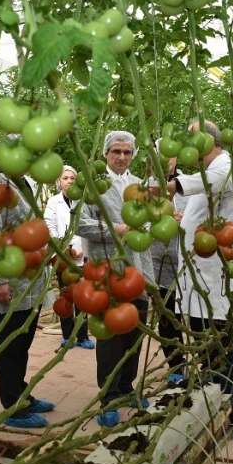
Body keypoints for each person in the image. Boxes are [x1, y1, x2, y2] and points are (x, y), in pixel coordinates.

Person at [156, 120, 233, 438]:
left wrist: (170, 185)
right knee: (207, 349)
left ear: (208, 142)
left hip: (217, 279)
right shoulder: (211, 174)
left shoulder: (227, 167)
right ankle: (214, 408)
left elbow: (210, 180)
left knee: (223, 349)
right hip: (201, 280)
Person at [77, 131, 155, 428]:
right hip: (106, 271)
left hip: (137, 270)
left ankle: (125, 387)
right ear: (105, 154)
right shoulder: (92, 185)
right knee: (110, 336)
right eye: (116, 152)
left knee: (134, 332)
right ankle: (108, 395)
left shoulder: (139, 185)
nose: (121, 157)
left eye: (127, 152)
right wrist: (116, 230)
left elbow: (148, 223)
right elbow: (80, 224)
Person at [0, 170, 56, 428]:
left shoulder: (24, 182)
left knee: (23, 340)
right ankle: (12, 406)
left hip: (29, 276)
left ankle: (21, 395)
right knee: (10, 343)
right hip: (9, 277)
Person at [149, 150, 189, 383]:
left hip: (187, 260)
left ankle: (202, 359)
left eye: (170, 155)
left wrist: (187, 219)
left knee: (195, 314)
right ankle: (176, 366)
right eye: (161, 154)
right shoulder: (143, 188)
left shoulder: (190, 184)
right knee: (166, 317)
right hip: (158, 261)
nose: (166, 160)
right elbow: (136, 222)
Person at [44, 166, 93, 349]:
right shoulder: (53, 202)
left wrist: (80, 248)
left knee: (81, 296)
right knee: (65, 296)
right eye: (65, 178)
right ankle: (67, 336)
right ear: (59, 182)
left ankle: (83, 336)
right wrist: (64, 249)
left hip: (81, 257)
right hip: (62, 258)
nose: (70, 181)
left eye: (73, 178)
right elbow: (49, 226)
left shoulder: (83, 201)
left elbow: (87, 225)